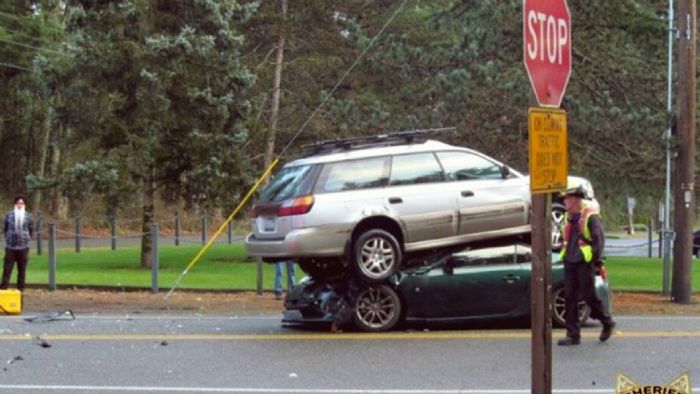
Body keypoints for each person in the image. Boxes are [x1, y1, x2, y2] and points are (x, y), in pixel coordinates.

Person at [557, 185, 615, 346]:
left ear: (575, 199)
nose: (564, 202)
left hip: (584, 262)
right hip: (570, 261)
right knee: (569, 298)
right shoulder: (567, 218)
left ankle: (606, 321)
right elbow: (565, 240)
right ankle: (572, 334)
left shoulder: (591, 217)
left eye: (566, 199)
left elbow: (598, 240)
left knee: (589, 296)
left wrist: (594, 261)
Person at [1, 195, 34, 292]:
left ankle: (20, 288)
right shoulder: (9, 215)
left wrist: (26, 239)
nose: (20, 205)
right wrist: (8, 238)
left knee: (22, 270)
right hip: (11, 247)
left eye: (22, 203)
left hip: (23, 247)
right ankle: (3, 288)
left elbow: (31, 229)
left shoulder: (28, 216)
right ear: (15, 204)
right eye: (18, 203)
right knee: (7, 269)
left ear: (24, 205)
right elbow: (5, 229)